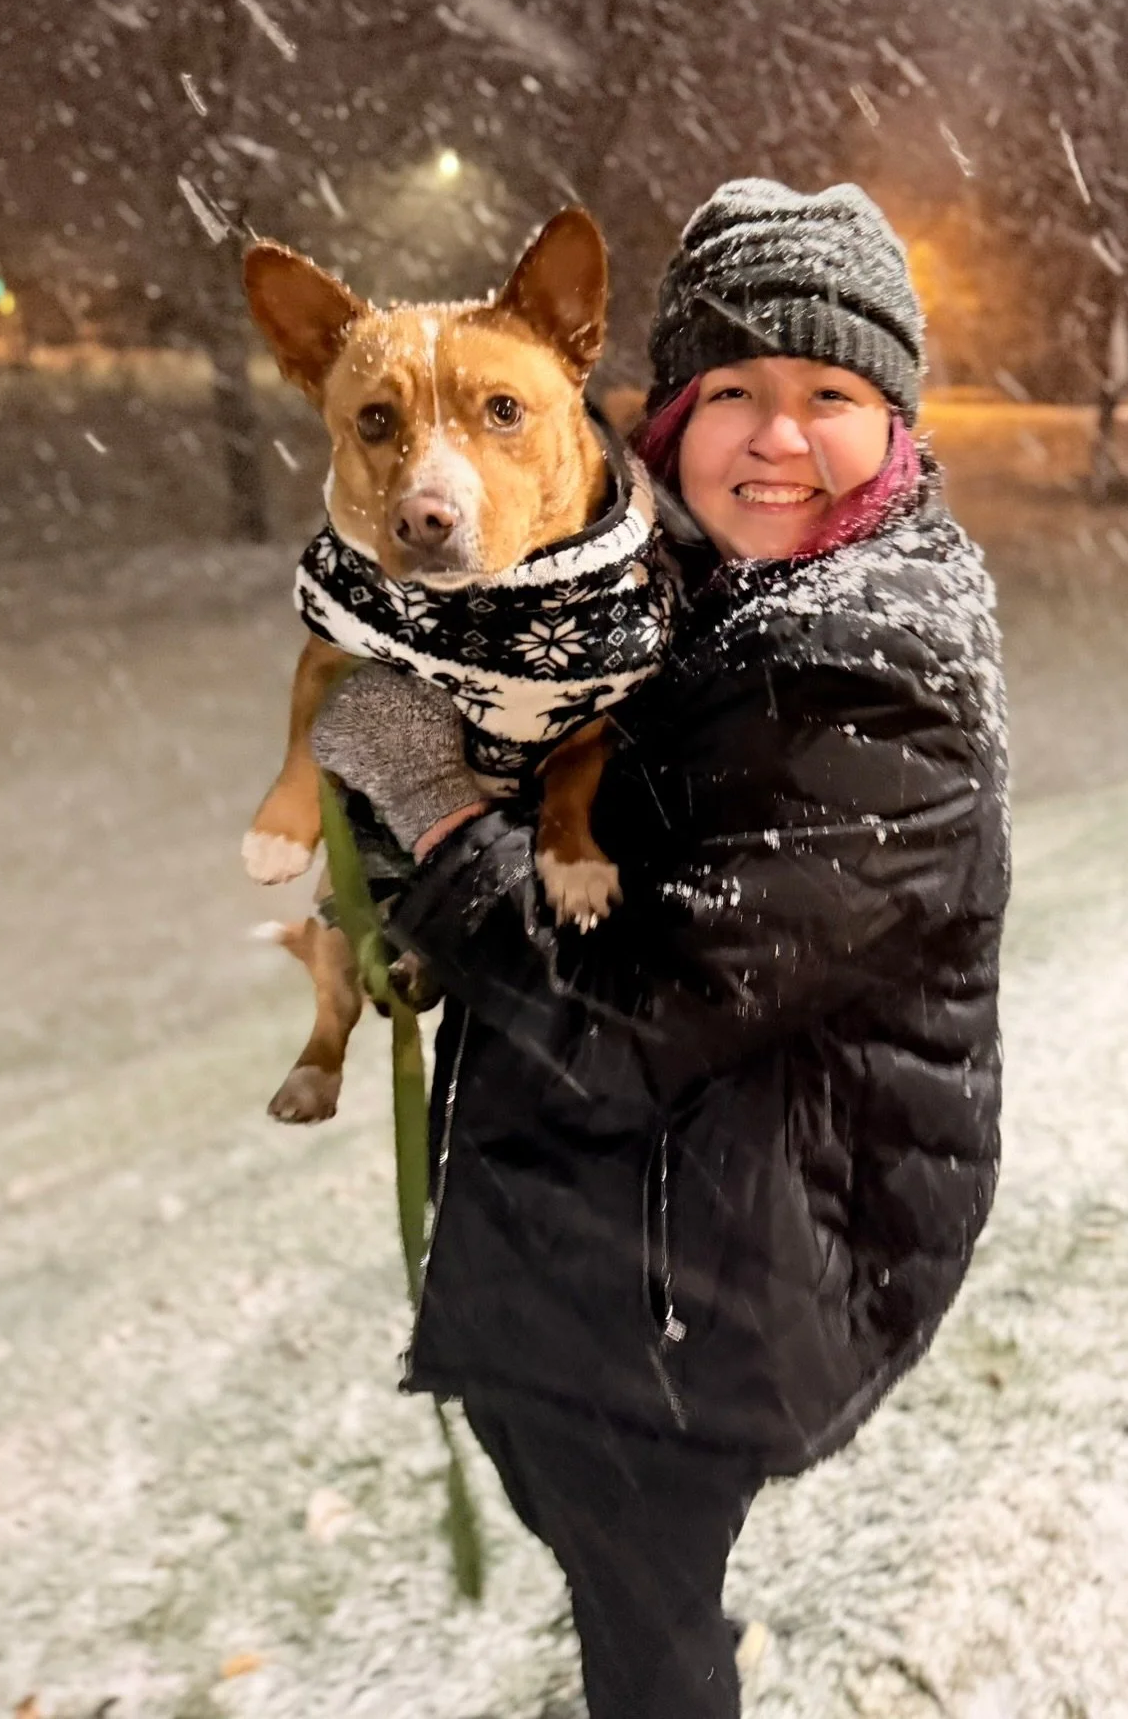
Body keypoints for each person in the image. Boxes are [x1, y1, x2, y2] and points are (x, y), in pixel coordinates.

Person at [309, 179, 1010, 1719]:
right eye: (734, 393)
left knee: (640, 1615)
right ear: (670, 421)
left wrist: (432, 814)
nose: (777, 438)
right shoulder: (681, 598)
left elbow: (625, 1015)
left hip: (714, 1290)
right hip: (623, 1233)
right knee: (600, 1540)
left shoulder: (874, 683)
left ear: (893, 428)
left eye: (830, 397)